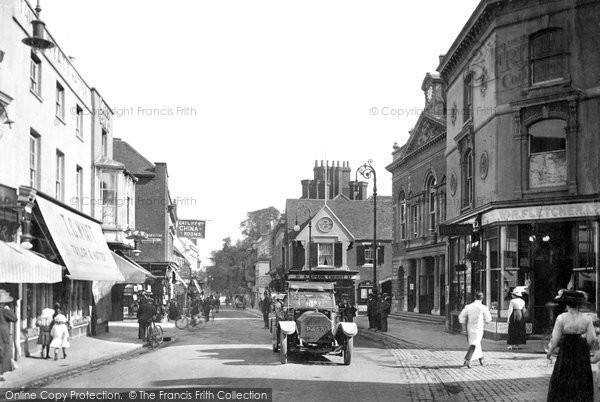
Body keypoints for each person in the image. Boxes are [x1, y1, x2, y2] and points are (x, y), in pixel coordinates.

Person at [546, 290, 595, 401]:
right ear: (579, 305)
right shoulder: (587, 318)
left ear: (566, 304)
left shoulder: (561, 318)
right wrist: (586, 348)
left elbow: (555, 338)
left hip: (566, 348)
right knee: (581, 376)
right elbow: (592, 338)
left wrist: (550, 351)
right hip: (581, 347)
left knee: (564, 375)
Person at [458, 292, 492, 368]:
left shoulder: (468, 306)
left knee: (475, 342)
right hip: (479, 327)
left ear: (474, 297)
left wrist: (463, 325)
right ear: (482, 298)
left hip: (470, 327)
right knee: (475, 343)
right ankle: (468, 359)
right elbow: (489, 318)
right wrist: (486, 322)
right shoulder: (483, 307)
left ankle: (481, 358)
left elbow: (461, 317)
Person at [0, 290, 17, 380]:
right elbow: (14, 318)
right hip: (2, 334)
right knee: (3, 352)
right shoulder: (4, 310)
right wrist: (9, 310)